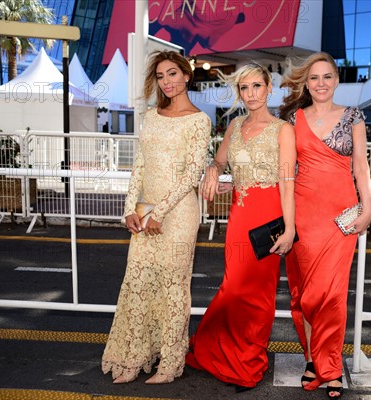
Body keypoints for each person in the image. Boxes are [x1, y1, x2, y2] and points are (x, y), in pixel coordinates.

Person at [185, 63, 297, 392]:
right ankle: (217, 347)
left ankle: (249, 363)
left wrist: (289, 229)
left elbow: (287, 181)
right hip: (239, 215)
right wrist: (213, 171)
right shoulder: (234, 126)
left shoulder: (282, 130)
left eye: (256, 87)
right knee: (233, 290)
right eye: (244, 88)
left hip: (268, 216)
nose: (251, 94)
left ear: (268, 88)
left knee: (258, 296)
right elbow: (220, 160)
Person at [101, 51, 211, 384]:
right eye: (161, 76)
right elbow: (141, 165)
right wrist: (131, 211)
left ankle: (170, 363)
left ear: (187, 75)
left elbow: (193, 173)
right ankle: (133, 358)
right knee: (138, 283)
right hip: (146, 209)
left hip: (178, 213)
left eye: (173, 74)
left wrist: (159, 213)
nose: (167, 81)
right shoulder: (151, 115)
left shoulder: (199, 120)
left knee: (174, 287)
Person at [278, 52, 371, 399]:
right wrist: (288, 222)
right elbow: (286, 174)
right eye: (314, 78)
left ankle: (329, 366)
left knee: (330, 295)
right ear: (306, 82)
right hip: (304, 216)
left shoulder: (353, 117)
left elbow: (361, 167)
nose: (321, 83)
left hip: (340, 216)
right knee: (306, 295)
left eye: (327, 77)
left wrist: (368, 207)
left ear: (337, 80)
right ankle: (311, 358)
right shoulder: (292, 119)